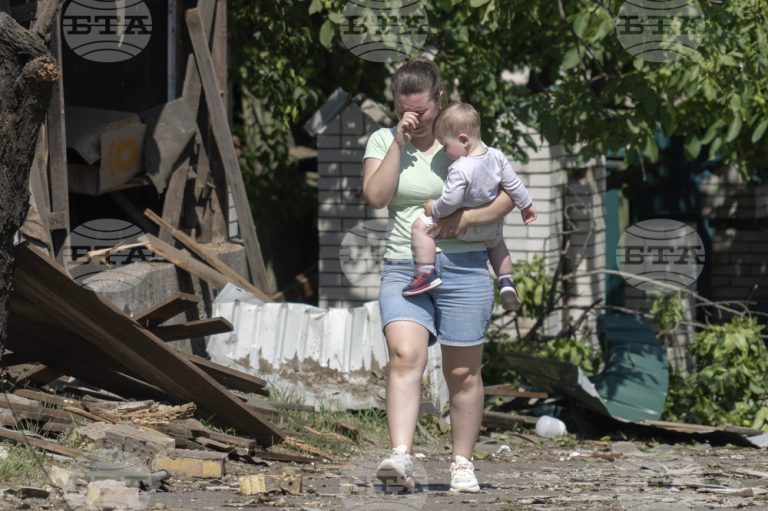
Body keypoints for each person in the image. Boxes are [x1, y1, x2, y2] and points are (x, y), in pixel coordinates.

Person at [362, 57, 517, 494]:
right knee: (404, 355)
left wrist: (467, 221)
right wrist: (397, 141)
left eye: (421, 111)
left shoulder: (465, 140)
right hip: (405, 264)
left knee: (462, 373)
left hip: (466, 267)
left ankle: (462, 464)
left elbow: (507, 195)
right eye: (402, 108)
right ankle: (400, 456)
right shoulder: (382, 139)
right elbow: (376, 196)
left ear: (440, 100)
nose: (412, 118)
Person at [401, 102, 537, 312]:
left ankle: (426, 272)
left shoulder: (460, 168)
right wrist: (526, 205)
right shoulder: (497, 156)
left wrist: (433, 209)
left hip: (461, 229)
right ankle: (506, 281)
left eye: (445, 146)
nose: (445, 152)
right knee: (498, 246)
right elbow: (514, 185)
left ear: (463, 139)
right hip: (490, 225)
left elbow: (450, 202)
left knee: (419, 227)